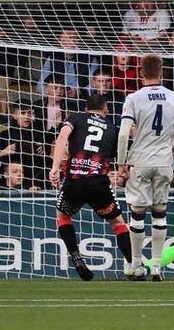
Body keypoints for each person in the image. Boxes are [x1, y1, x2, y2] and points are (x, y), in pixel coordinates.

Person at [117, 54, 174, 282]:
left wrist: (121, 162)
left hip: (139, 162)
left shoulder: (133, 98)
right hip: (163, 162)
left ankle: (137, 265)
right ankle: (158, 266)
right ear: (161, 73)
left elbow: (123, 133)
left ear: (141, 75)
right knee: (160, 214)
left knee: (137, 214)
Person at [48, 94, 133, 282]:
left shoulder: (76, 117)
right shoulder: (112, 128)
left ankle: (76, 256)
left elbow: (62, 136)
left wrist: (55, 168)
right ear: (106, 109)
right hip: (98, 183)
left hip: (74, 181)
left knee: (63, 217)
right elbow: (120, 156)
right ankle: (134, 266)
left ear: (86, 109)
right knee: (118, 223)